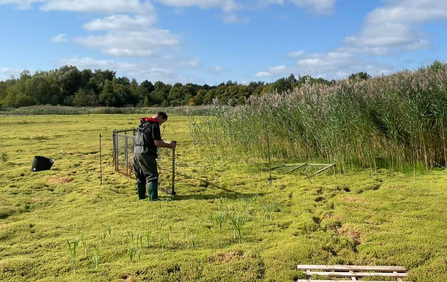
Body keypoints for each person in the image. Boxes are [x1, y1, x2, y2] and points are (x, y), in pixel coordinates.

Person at [133, 112, 177, 201]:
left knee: (140, 175)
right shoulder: (154, 125)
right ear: (160, 117)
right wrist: (170, 145)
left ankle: (141, 196)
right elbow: (157, 143)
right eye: (162, 122)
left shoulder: (143, 122)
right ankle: (153, 197)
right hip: (146, 152)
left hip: (136, 150)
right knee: (151, 174)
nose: (161, 124)